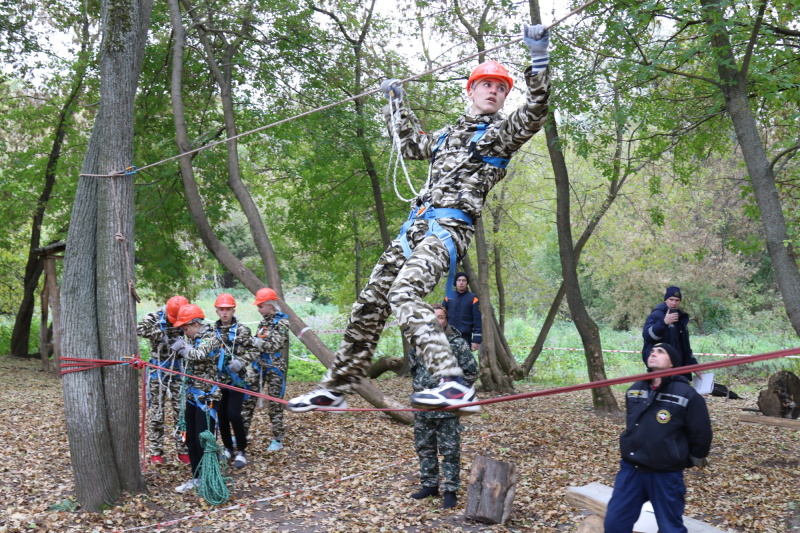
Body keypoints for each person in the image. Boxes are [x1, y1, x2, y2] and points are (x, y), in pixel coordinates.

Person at [287, 22, 551, 414]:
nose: (494, 91)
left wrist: (538, 60)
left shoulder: (501, 134)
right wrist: (397, 100)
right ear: (472, 90)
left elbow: (535, 111)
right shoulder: (446, 136)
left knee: (404, 294)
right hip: (416, 226)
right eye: (487, 85)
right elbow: (411, 144)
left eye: (501, 88)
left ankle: (453, 383)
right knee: (370, 301)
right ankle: (338, 384)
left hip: (449, 227)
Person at [604, 343, 712, 533]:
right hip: (632, 471)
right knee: (615, 523)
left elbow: (701, 434)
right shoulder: (636, 389)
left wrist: (683, 458)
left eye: (661, 352)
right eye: (652, 351)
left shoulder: (687, 395)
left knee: (670, 528)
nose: (653, 354)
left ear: (673, 363)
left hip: (665, 474)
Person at [409, 304, 477, 509]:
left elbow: (472, 372)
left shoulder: (457, 344)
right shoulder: (418, 343)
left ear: (445, 320)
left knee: (450, 451)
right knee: (425, 448)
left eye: (440, 317)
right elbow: (413, 370)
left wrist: (453, 387)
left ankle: (450, 490)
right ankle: (429, 485)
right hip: (423, 406)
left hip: (447, 409)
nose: (436, 321)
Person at [169, 304, 224, 494]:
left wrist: (183, 348)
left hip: (207, 396)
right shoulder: (193, 339)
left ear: (195, 323)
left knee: (205, 439)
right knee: (191, 438)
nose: (185, 333)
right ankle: (197, 477)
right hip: (192, 395)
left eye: (185, 329)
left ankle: (211, 478)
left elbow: (199, 355)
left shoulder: (212, 337)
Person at [136, 295, 191, 465]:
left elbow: (199, 331)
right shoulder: (154, 317)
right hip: (158, 369)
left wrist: (184, 345)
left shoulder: (187, 317)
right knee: (157, 412)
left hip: (178, 369)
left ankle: (183, 450)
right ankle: (156, 452)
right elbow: (138, 329)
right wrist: (160, 335)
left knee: (181, 411)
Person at [242, 288, 291, 452]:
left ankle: (277, 439)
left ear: (270, 305)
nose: (259, 309)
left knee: (275, 404)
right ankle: (241, 436)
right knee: (248, 400)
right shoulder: (263, 323)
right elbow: (258, 344)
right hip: (258, 366)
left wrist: (256, 342)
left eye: (261, 306)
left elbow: (275, 345)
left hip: (275, 368)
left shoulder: (282, 322)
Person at [212, 293, 257, 469]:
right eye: (221, 309)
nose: (225, 313)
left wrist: (242, 362)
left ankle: (242, 450)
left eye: (228, 309)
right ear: (216, 310)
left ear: (233, 310)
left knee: (234, 414)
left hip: (237, 380)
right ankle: (228, 448)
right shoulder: (211, 331)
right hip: (218, 380)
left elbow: (254, 351)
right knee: (221, 415)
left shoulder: (242, 330)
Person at [642, 286, 703, 380]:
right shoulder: (656, 315)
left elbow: (685, 347)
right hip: (660, 369)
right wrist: (664, 323)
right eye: (671, 299)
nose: (674, 303)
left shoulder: (681, 318)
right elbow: (648, 336)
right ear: (665, 300)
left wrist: (695, 366)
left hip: (679, 369)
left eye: (677, 300)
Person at [442, 272, 482, 351]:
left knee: (464, 362)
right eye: (459, 280)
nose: (461, 283)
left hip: (465, 337)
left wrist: (476, 340)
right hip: (448, 336)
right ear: (455, 282)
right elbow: (441, 316)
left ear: (467, 283)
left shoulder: (473, 298)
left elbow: (477, 320)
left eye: (464, 280)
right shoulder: (448, 297)